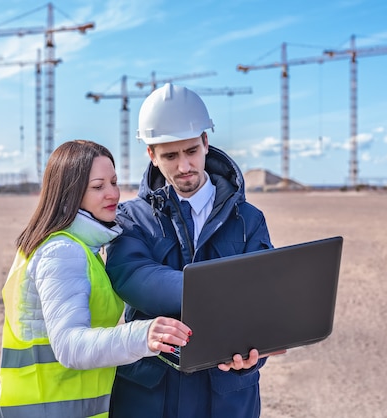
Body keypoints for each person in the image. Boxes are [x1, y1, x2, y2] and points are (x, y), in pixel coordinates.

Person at [105, 83, 276, 418]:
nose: (184, 166)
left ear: (205, 143)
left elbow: (264, 301)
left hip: (225, 399)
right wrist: (217, 292)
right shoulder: (131, 219)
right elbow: (131, 275)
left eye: (191, 151)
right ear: (152, 155)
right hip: (150, 397)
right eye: (170, 155)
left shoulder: (249, 220)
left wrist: (252, 356)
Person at [0, 140, 191, 418]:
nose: (113, 194)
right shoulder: (62, 252)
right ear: (70, 194)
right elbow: (70, 346)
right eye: (98, 186)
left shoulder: (79, 248)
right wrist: (143, 335)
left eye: (114, 182)